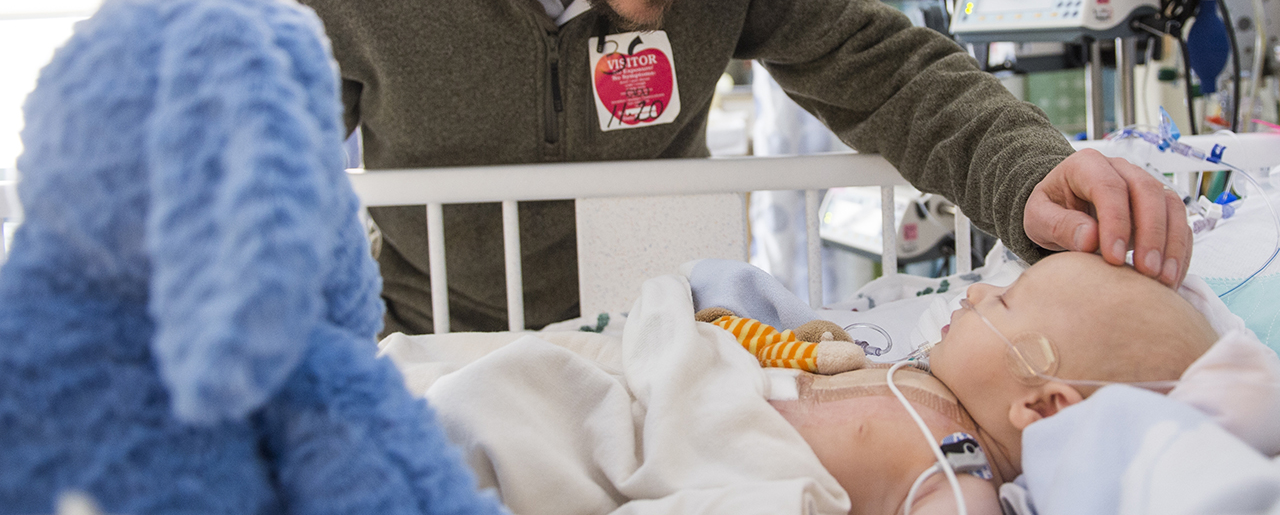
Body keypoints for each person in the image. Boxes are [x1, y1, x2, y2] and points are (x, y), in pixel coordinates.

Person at [257, 0, 1192, 336]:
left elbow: (884, 67)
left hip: (669, 343)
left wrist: (1029, 172)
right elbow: (248, 211)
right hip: (443, 355)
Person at [383, 251, 1217, 514]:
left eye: (1005, 300)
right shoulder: (918, 376)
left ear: (1040, 402)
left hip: (694, 450)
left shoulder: (958, 464)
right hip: (673, 390)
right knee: (510, 385)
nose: (973, 291)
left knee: (493, 418)